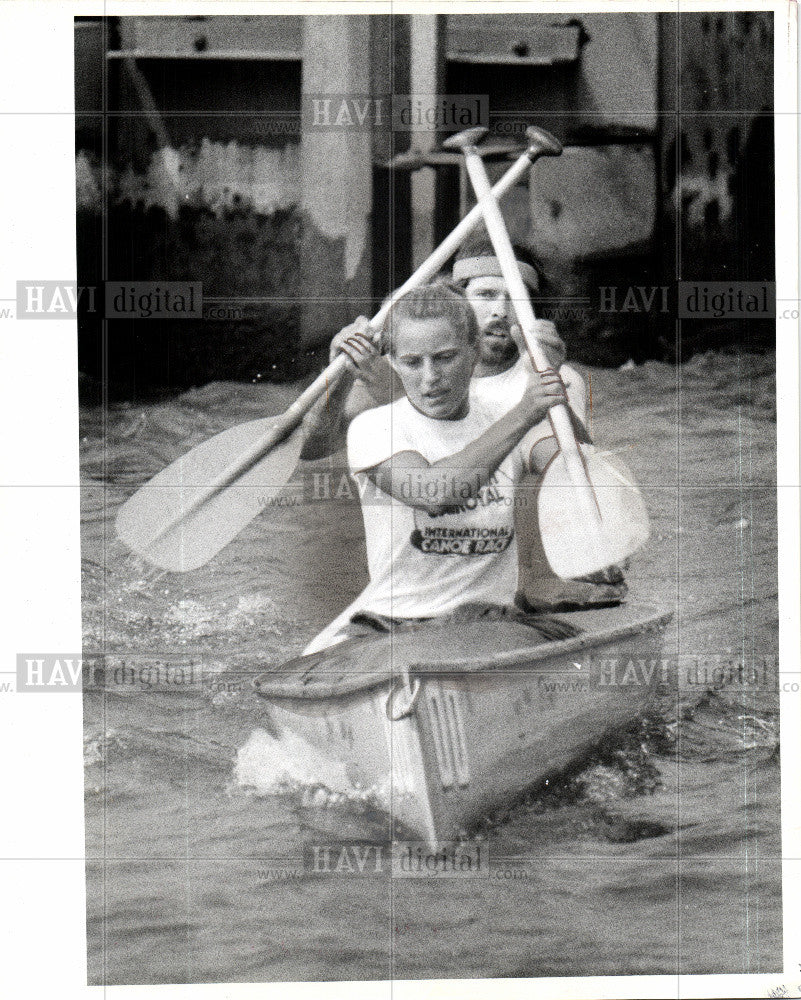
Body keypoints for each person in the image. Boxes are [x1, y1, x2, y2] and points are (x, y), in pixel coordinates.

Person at [304, 281, 580, 655]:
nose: (430, 378)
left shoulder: (504, 417)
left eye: (445, 357)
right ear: (393, 363)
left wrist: (551, 379)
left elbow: (579, 470)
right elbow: (434, 494)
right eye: (412, 363)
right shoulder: (374, 426)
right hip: (396, 625)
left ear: (474, 352)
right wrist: (527, 411)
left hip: (492, 622)